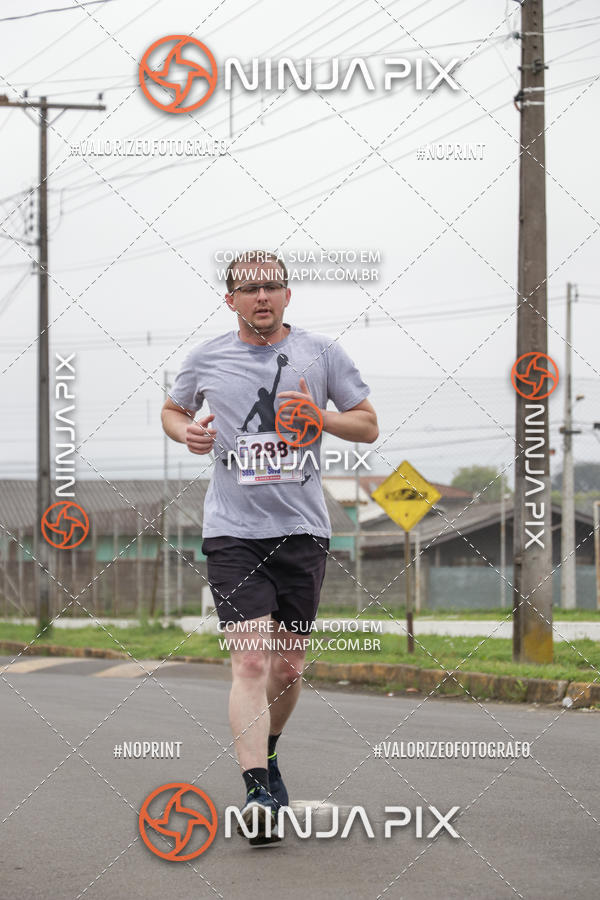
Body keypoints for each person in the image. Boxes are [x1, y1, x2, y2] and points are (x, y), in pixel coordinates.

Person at [161, 250, 378, 845]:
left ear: (287, 296)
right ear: (230, 299)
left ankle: (271, 751)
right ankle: (257, 787)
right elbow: (173, 410)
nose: (262, 296)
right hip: (231, 528)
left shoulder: (321, 354)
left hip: (302, 529)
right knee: (252, 659)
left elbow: (367, 422)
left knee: (287, 665)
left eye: (272, 287)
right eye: (249, 288)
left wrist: (320, 418)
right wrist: (190, 432)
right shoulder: (206, 357)